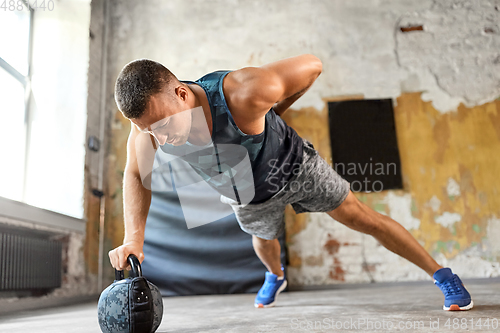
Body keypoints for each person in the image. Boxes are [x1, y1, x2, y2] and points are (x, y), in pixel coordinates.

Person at [108, 54, 473, 311]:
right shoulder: (148, 128)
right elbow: (138, 174)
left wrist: (276, 107)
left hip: (294, 166)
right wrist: (133, 239)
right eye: (148, 130)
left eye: (166, 125)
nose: (162, 138)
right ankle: (275, 275)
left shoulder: (245, 91)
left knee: (362, 217)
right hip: (244, 190)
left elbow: (313, 65)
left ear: (182, 94)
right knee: (264, 241)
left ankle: (442, 276)